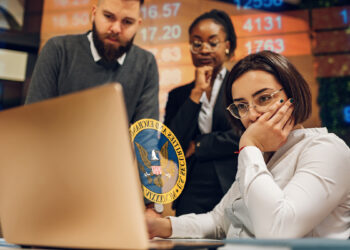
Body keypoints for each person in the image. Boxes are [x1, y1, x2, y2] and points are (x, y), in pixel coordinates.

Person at [147, 50, 350, 239]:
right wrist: (160, 226)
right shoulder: (260, 157)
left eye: (264, 98)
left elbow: (278, 230)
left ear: (293, 97)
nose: (251, 115)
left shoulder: (325, 149)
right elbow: (219, 221)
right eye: (242, 106)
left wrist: (250, 146)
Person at [25, 0, 159, 124]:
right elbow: (33, 121)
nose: (116, 29)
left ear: (138, 25)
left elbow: (146, 138)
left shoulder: (146, 64)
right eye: (108, 16)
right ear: (94, 14)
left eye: (128, 22)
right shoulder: (58, 50)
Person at [163, 9, 239, 216]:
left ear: (227, 47)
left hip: (232, 182)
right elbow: (169, 143)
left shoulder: (240, 87)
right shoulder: (179, 95)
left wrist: (198, 145)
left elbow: (242, 135)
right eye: (197, 43)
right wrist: (195, 95)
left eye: (212, 43)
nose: (204, 49)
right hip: (190, 185)